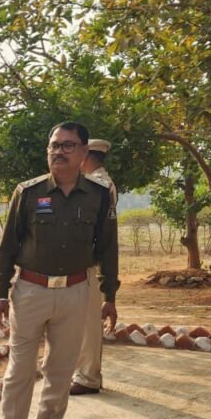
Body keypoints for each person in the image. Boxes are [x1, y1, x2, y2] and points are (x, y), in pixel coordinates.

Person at [0, 122, 118, 419]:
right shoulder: (27, 193)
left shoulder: (98, 195)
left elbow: (107, 247)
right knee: (18, 373)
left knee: (60, 372)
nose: (59, 151)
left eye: (68, 146)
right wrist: (1, 292)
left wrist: (110, 295)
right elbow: (8, 247)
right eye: (54, 145)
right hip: (30, 291)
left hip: (77, 292)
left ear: (83, 153)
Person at [71, 139, 118, 395]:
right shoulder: (100, 181)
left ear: (86, 156)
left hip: (91, 264)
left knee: (90, 323)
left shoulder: (99, 185)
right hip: (89, 264)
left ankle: (88, 377)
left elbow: (105, 235)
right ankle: (83, 373)